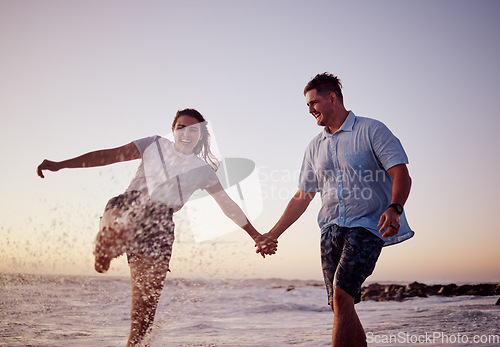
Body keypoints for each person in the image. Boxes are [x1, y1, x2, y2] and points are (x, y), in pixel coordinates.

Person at [37, 108, 277, 346]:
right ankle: (109, 242)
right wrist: (61, 165)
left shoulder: (203, 171)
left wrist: (256, 236)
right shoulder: (154, 144)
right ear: (173, 130)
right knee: (123, 219)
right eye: (181, 127)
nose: (186, 133)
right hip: (130, 202)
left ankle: (133, 336)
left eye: (193, 130)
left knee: (144, 312)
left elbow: (227, 205)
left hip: (160, 226)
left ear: (201, 136)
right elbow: (107, 156)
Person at [258, 73, 414, 346]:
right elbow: (302, 196)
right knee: (339, 304)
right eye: (307, 105)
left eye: (313, 102)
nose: (310, 110)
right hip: (330, 229)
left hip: (368, 225)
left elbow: (401, 173)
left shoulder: (371, 130)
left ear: (332, 98)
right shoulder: (314, 147)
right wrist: (274, 233)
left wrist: (395, 208)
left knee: (342, 296)